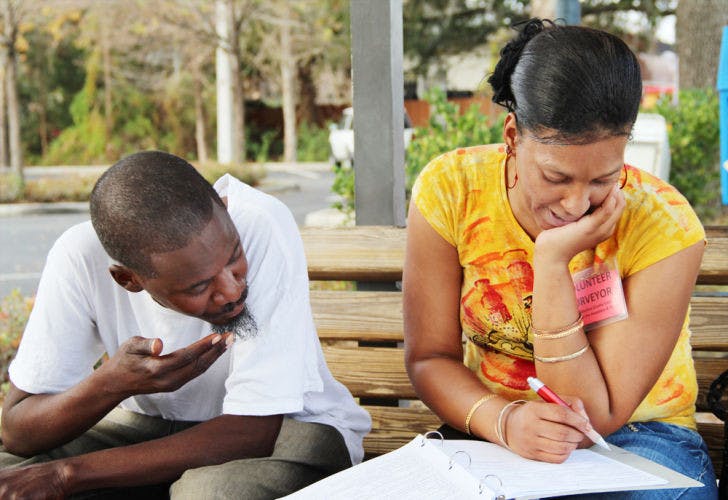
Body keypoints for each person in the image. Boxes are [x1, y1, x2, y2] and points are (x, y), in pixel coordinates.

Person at [403, 19, 717, 499]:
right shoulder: (452, 189)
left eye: (602, 180)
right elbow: (430, 358)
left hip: (636, 437)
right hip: (491, 428)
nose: (577, 204)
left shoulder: (664, 224)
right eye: (556, 177)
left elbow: (591, 411)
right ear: (512, 136)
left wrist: (551, 265)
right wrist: (504, 420)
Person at [0, 151, 371, 498]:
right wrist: (112, 383)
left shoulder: (259, 222)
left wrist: (68, 474)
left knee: (209, 493)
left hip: (291, 428)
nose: (231, 289)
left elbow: (253, 431)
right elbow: (17, 431)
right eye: (199, 285)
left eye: (234, 258)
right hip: (144, 429)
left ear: (224, 208)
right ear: (129, 280)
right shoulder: (79, 255)